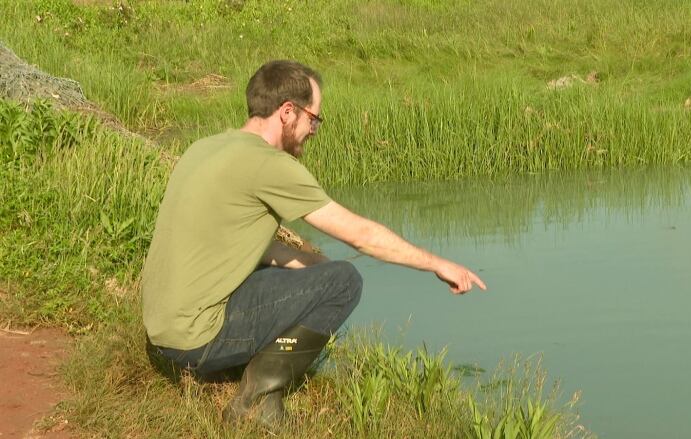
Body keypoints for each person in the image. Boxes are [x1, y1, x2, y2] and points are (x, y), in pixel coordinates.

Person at [141, 60, 487, 427]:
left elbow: (251, 246)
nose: (314, 130)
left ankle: (246, 376)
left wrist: (315, 268)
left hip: (163, 332)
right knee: (345, 281)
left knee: (325, 276)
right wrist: (438, 263)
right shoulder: (269, 165)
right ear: (287, 112)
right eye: (313, 119)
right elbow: (362, 236)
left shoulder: (207, 148)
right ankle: (257, 402)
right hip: (197, 339)